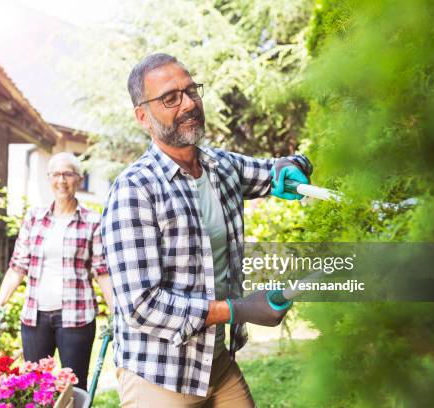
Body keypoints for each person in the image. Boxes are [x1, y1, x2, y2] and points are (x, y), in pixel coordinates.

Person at [101, 53, 313, 407]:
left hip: (215, 363)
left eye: (191, 91)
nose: (188, 104)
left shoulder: (220, 167)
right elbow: (140, 306)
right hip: (159, 374)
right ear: (143, 116)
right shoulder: (134, 190)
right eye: (170, 98)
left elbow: (274, 169)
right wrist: (238, 309)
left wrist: (294, 165)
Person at [0, 152, 114, 390]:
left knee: (75, 387)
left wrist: (115, 312)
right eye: (56, 174)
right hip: (34, 317)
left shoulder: (92, 221)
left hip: (76, 317)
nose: (62, 180)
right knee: (36, 388)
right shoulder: (34, 218)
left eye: (68, 173)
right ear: (49, 178)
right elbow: (17, 266)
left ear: (79, 179)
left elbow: (102, 272)